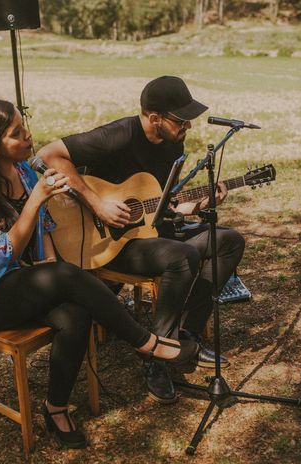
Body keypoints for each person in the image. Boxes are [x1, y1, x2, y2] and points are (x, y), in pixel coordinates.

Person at [0, 99, 201, 449]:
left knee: (75, 312)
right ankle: (146, 342)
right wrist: (35, 201)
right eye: (16, 134)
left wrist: (50, 263)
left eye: (25, 127)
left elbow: (46, 228)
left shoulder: (22, 171)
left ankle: (55, 408)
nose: (28, 137)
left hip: (29, 282)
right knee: (65, 277)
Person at [37, 76, 245, 404]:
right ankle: (157, 357)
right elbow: (49, 154)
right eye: (180, 119)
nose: (188, 125)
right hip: (107, 242)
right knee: (181, 256)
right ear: (154, 119)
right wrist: (98, 204)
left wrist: (201, 204)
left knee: (229, 240)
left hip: (149, 234)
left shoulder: (172, 144)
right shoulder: (118, 136)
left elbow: (163, 204)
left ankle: (186, 337)